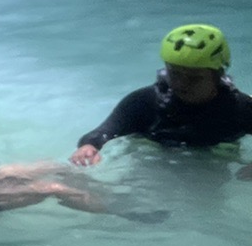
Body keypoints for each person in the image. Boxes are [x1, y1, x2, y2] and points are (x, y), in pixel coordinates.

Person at [70, 25, 252, 165]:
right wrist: (89, 147)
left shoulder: (240, 107)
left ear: (218, 76)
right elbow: (103, 132)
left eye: (194, 78)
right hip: (150, 162)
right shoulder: (144, 102)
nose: (181, 84)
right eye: (175, 73)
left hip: (210, 167)